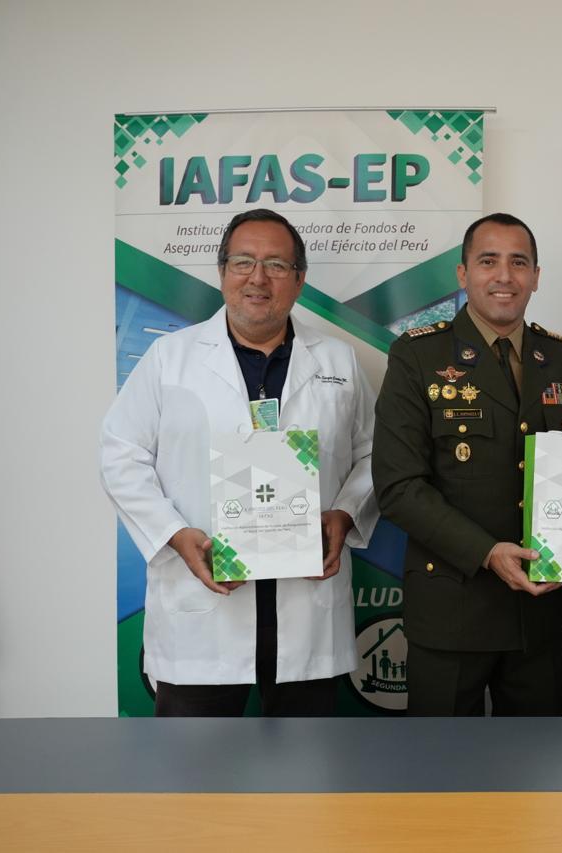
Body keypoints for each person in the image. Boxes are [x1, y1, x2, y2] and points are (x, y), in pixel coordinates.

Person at [100, 208, 377, 716]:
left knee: (307, 761)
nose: (258, 278)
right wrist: (174, 535)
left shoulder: (338, 361)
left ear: (300, 279)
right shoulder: (169, 359)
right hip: (204, 608)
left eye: (276, 265)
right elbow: (121, 454)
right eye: (243, 262)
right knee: (196, 761)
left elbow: (374, 454)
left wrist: (346, 513)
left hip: (307, 606)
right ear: (222, 271)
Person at [373, 212, 562, 716]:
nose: (504, 276)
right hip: (452, 609)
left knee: (534, 759)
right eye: (488, 261)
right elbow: (398, 486)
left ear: (536, 276)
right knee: (442, 761)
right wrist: (486, 552)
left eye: (518, 263)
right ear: (463, 274)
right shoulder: (418, 355)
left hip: (537, 612)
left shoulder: (560, 357)